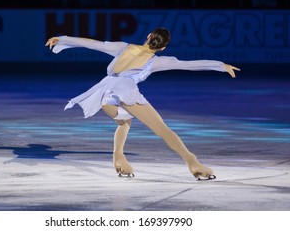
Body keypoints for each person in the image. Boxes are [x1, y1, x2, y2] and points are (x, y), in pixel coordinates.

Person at [45, 28, 240, 180]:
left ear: (148, 37)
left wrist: (63, 39)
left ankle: (119, 158)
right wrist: (220, 66)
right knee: (163, 130)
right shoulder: (157, 61)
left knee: (124, 122)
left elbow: (93, 44)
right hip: (124, 91)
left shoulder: (122, 47)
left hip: (103, 92)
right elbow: (189, 65)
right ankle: (193, 163)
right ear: (162, 47)